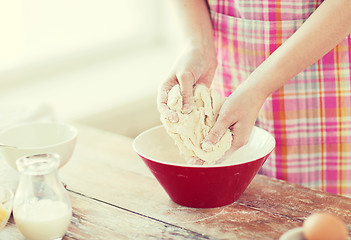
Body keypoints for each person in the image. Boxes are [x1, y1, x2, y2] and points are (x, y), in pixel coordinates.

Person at [157, 0, 351, 197]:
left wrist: (257, 89)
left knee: (315, 208)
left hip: (321, 80)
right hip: (229, 72)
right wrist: (198, 44)